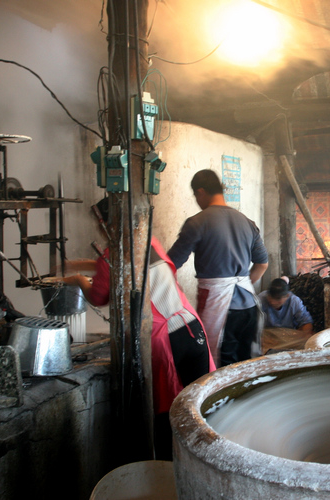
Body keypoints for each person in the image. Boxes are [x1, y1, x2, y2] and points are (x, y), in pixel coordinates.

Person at [60, 233, 215, 461]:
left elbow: (99, 295)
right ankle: (208, 457)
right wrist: (80, 264)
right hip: (191, 326)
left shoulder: (113, 252)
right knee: (204, 403)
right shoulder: (149, 240)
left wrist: (78, 280)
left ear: (109, 225)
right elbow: (131, 266)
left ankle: (168, 470)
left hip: (165, 338)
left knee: (169, 413)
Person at [168, 169, 268, 368]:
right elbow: (262, 264)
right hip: (249, 306)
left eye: (196, 196)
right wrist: (243, 283)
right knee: (247, 365)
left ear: (201, 192)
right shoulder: (247, 222)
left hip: (220, 308)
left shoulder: (197, 222)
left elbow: (171, 264)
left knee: (222, 367)